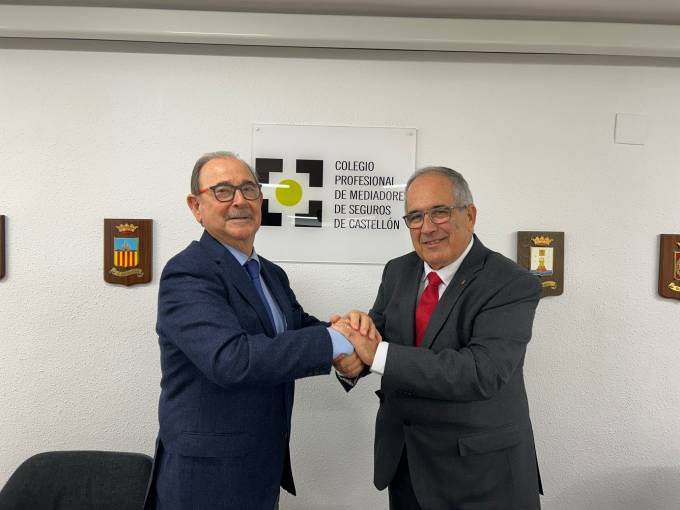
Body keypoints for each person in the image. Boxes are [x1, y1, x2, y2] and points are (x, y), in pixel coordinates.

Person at [145, 151, 375, 510]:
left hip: (260, 470)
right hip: (205, 480)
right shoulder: (188, 272)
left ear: (261, 201)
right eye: (223, 191)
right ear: (196, 206)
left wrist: (353, 334)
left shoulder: (271, 274)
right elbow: (231, 359)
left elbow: (299, 329)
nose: (239, 200)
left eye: (248, 189)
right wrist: (336, 340)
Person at [333, 166, 543, 510]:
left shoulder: (511, 282)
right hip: (405, 465)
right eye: (415, 217)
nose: (427, 227)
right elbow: (379, 333)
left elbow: (482, 372)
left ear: (470, 215)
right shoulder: (398, 270)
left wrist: (375, 353)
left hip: (481, 476)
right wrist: (349, 355)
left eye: (439, 212)